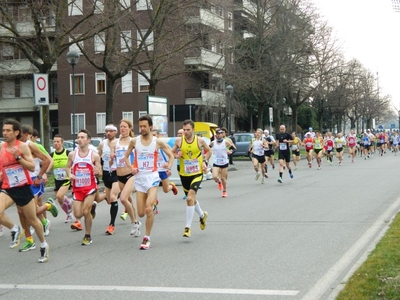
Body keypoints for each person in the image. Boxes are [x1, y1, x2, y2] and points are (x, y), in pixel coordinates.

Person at [0, 119, 49, 262]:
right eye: (3, 130)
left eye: (8, 130)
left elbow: (32, 167)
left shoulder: (22, 147)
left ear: (16, 132)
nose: (5, 133)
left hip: (23, 187)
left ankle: (43, 245)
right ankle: (15, 229)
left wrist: (18, 157)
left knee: (33, 220)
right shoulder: (2, 148)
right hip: (8, 188)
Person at [124, 115, 174, 250]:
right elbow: (125, 156)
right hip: (140, 179)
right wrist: (131, 168)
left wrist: (168, 166)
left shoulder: (157, 142)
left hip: (152, 177)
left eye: (145, 126)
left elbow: (171, 155)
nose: (142, 128)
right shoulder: (134, 141)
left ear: (150, 126)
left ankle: (147, 237)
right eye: (140, 126)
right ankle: (149, 209)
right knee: (140, 213)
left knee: (148, 209)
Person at [18, 125, 57, 252]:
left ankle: (48, 206)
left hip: (34, 181)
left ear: (24, 134)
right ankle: (30, 238)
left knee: (31, 213)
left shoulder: (31, 145)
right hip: (21, 182)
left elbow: (47, 160)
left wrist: (41, 175)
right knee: (21, 211)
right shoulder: (16, 146)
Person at [171, 119, 211, 238]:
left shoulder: (200, 141)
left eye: (188, 130)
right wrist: (176, 155)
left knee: (189, 198)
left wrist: (205, 161)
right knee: (192, 199)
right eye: (184, 130)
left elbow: (209, 151)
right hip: (184, 174)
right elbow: (171, 153)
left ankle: (187, 227)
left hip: (197, 173)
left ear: (193, 130)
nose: (186, 132)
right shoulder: (179, 141)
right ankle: (202, 215)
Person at [66, 129, 102, 245]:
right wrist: (70, 174)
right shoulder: (72, 154)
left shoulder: (94, 156)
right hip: (77, 188)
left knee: (86, 211)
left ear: (88, 140)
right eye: (78, 137)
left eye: (82, 137)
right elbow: (67, 167)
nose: (79, 139)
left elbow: (100, 172)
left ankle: (87, 235)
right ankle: (92, 209)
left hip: (90, 187)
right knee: (77, 214)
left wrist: (97, 172)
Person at [110, 119, 141, 236]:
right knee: (129, 200)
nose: (122, 129)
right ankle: (136, 224)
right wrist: (112, 158)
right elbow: (110, 162)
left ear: (130, 128)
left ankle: (134, 222)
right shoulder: (114, 143)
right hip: (119, 175)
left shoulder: (134, 141)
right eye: (121, 126)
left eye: (125, 127)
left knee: (123, 199)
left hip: (131, 175)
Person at [97, 124, 120, 235]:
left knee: (112, 197)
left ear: (116, 132)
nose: (109, 133)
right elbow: (98, 159)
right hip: (106, 173)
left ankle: (112, 225)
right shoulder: (102, 144)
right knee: (110, 199)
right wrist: (98, 169)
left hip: (116, 173)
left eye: (111, 131)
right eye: (107, 131)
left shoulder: (119, 143)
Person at [50, 134, 74, 224]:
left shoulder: (67, 153)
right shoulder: (52, 155)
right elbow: (47, 164)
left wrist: (72, 174)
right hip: (57, 180)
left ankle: (69, 203)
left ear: (62, 143)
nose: (56, 143)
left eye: (58, 142)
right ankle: (69, 214)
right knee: (60, 199)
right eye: (54, 142)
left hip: (67, 179)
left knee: (59, 196)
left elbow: (73, 163)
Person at [210, 129, 235, 197]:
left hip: (224, 162)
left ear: (222, 134)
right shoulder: (213, 142)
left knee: (223, 178)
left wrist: (230, 151)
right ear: (215, 135)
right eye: (217, 134)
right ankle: (219, 182)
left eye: (220, 133)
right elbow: (208, 148)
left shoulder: (226, 142)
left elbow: (233, 148)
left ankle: (224, 191)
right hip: (216, 162)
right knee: (214, 176)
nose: (218, 135)